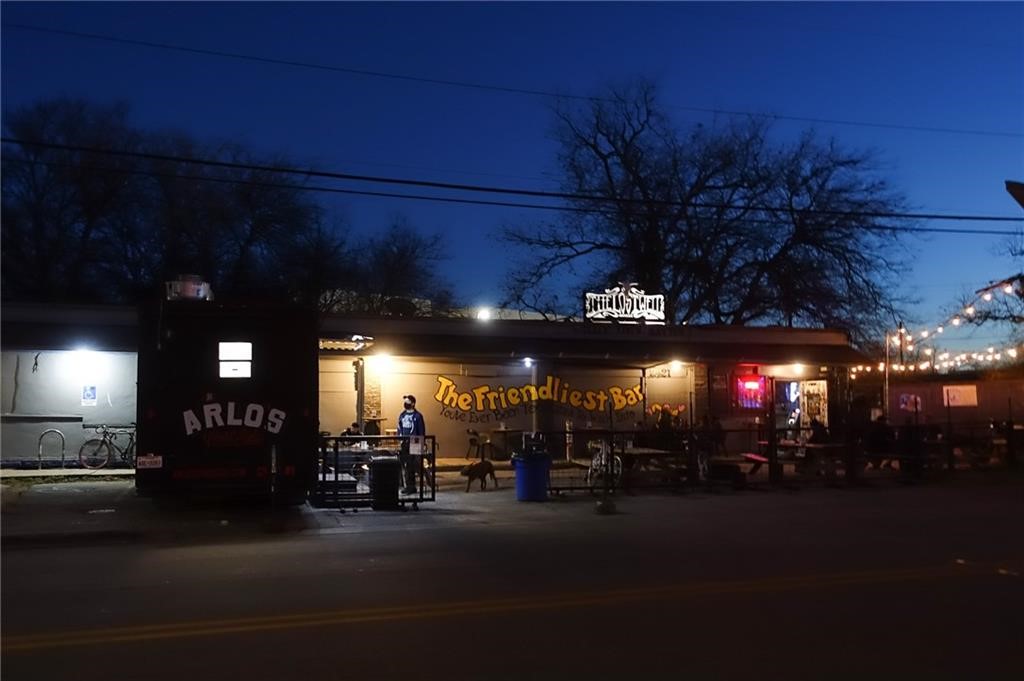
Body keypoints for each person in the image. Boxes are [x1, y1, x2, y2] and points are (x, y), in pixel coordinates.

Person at [397, 394, 426, 493]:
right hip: (404, 442)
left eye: (408, 402)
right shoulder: (402, 415)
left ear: (413, 403)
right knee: (405, 464)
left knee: (413, 465)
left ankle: (412, 486)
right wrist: (399, 438)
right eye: (405, 401)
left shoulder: (418, 416)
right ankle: (407, 485)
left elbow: (421, 431)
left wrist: (421, 444)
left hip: (415, 441)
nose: (405, 403)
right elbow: (399, 427)